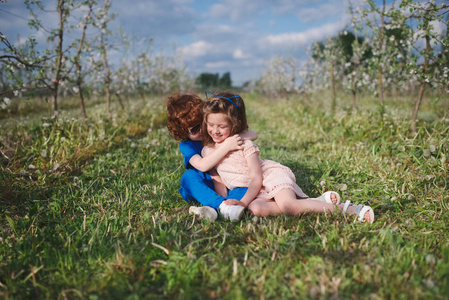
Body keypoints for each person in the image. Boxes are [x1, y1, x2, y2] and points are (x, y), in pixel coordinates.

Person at [201, 91, 374, 223]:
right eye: (210, 125)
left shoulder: (243, 144)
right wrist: (223, 203)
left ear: (235, 124)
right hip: (257, 193)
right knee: (256, 209)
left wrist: (243, 201)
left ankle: (349, 209)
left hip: (268, 178)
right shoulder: (208, 152)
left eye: (221, 126)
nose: (215, 130)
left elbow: (256, 177)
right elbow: (219, 181)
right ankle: (315, 202)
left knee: (288, 206)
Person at [166, 92, 258, 222]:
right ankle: (222, 206)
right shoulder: (187, 145)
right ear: (183, 133)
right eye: (192, 131)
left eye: (200, 124)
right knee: (188, 177)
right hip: (204, 184)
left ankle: (215, 210)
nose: (199, 132)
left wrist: (231, 140)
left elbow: (253, 134)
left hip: (227, 182)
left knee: (244, 187)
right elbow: (203, 165)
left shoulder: (215, 132)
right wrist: (227, 146)